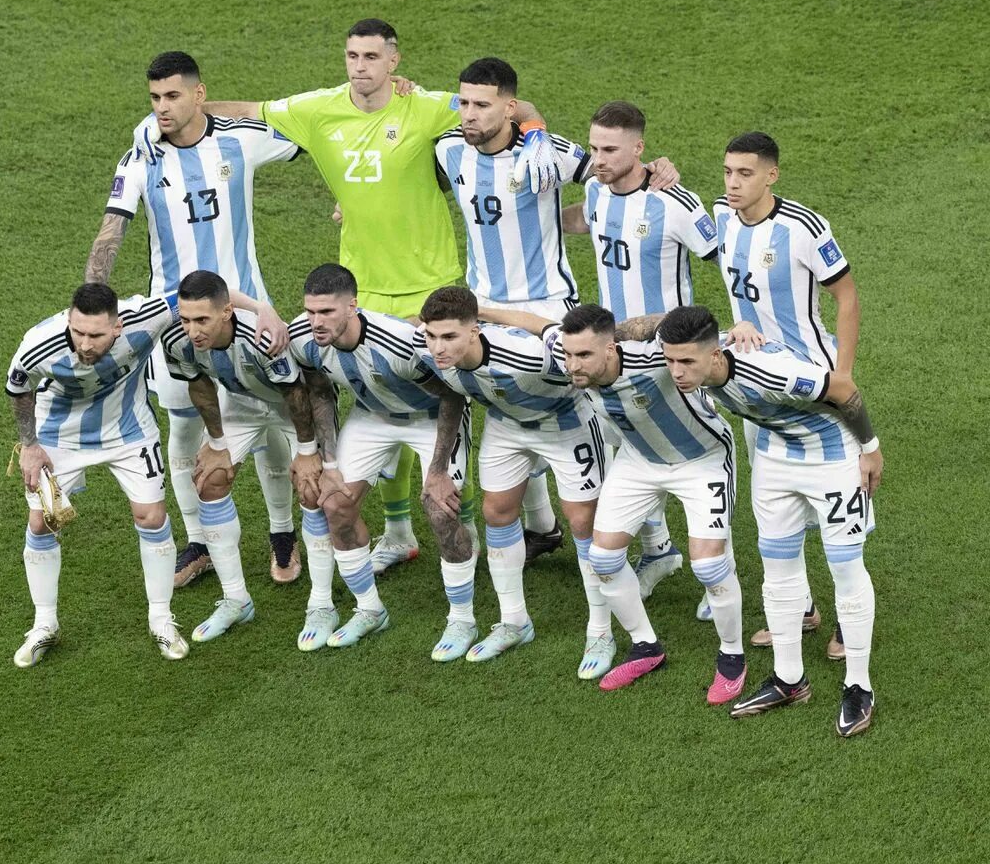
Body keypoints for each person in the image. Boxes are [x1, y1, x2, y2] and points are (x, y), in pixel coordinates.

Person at [130, 22, 561, 572]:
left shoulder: (425, 105)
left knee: (467, 395)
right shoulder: (317, 108)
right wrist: (171, 118)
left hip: (432, 283)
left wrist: (539, 130)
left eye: (371, 57)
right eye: (352, 56)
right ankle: (402, 529)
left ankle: (511, 521)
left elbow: (509, 104)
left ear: (394, 61)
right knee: (378, 399)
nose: (359, 66)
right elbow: (251, 110)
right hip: (362, 286)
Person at [437, 62, 682, 563]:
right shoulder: (447, 148)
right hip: (484, 308)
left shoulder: (550, 152)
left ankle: (657, 544)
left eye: (482, 104)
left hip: (549, 308)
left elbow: (617, 174)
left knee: (601, 415)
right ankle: (541, 524)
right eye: (463, 103)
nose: (469, 112)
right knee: (507, 405)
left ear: (508, 107)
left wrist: (659, 168)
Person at [85, 51, 298, 590]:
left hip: (247, 310)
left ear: (199, 94)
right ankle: (198, 541)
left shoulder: (241, 139)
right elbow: (111, 232)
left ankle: (282, 532)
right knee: (183, 424)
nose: (161, 108)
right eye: (154, 98)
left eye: (173, 96)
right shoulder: (141, 158)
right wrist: (96, 304)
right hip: (173, 320)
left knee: (270, 417)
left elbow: (319, 130)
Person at [479, 304, 743, 698]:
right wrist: (480, 310)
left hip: (700, 459)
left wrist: (740, 328)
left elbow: (705, 347)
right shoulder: (569, 355)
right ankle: (645, 646)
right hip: (638, 461)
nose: (572, 365)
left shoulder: (656, 359)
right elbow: (534, 324)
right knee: (603, 558)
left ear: (610, 349)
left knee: (708, 564)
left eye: (583, 355)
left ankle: (732, 656)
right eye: (568, 355)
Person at [655, 305, 882, 737]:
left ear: (715, 355)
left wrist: (870, 449)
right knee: (777, 569)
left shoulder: (768, 371)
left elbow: (844, 389)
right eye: (670, 361)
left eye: (686, 362)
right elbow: (645, 328)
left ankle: (859, 685)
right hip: (777, 457)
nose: (677, 372)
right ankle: (790, 679)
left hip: (831, 454)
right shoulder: (700, 354)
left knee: (845, 568)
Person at [561, 101, 721, 611]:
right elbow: (581, 222)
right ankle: (659, 550)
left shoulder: (674, 202)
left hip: (671, 359)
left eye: (610, 149)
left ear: (639, 148)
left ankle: (719, 572)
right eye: (593, 148)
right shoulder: (593, 190)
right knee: (627, 454)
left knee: (698, 460)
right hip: (614, 357)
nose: (599, 158)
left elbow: (724, 252)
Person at [714, 131, 863, 657]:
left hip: (813, 383)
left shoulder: (803, 227)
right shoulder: (723, 218)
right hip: (757, 386)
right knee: (777, 499)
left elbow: (846, 297)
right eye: (729, 172)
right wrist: (738, 322)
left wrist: (841, 373)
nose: (733, 183)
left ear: (771, 175)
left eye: (745, 173)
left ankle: (851, 614)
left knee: (836, 498)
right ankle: (801, 607)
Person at [286, 264, 475, 657]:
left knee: (440, 509)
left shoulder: (399, 343)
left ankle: (462, 618)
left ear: (352, 306)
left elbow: (451, 395)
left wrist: (438, 470)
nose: (316, 322)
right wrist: (330, 461)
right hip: (372, 415)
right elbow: (320, 392)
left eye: (327, 312)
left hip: (430, 417)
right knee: (334, 502)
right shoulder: (304, 339)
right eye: (310, 311)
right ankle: (370, 609)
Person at [416, 287, 605, 663]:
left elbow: (554, 330)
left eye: (449, 336)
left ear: (475, 331)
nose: (438, 347)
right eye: (431, 335)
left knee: (584, 521)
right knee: (496, 512)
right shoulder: (427, 352)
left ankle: (600, 630)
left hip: (564, 422)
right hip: (507, 425)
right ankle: (514, 622)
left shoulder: (528, 355)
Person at [5, 284, 188, 667]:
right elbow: (18, 386)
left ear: (118, 326)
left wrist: (260, 310)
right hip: (58, 436)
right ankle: (44, 625)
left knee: (152, 516)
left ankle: (161, 618)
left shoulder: (146, 317)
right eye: (78, 332)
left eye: (96, 335)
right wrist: (29, 445)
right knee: (42, 523)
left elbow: (202, 294)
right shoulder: (40, 342)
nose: (85, 344)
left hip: (129, 431)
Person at [157, 271, 328, 644]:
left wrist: (307, 453)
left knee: (314, 488)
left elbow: (297, 394)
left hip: (288, 405)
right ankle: (236, 599)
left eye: (202, 320)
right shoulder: (176, 339)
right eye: (186, 320)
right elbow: (199, 385)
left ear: (227, 312)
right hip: (239, 405)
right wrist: (217, 443)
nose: (192, 330)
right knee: (209, 479)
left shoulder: (260, 337)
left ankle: (322, 603)